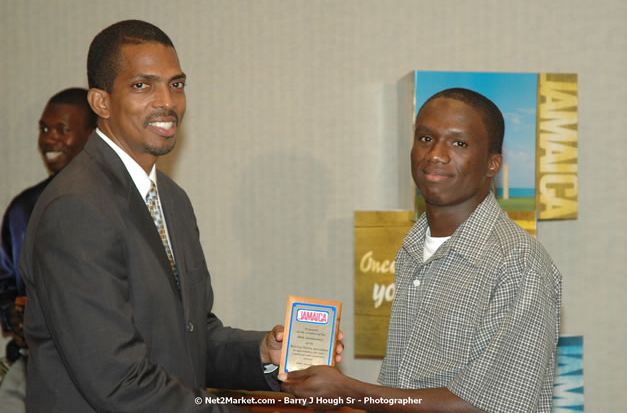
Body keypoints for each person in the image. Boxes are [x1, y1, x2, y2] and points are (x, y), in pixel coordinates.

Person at [20, 20, 335, 413]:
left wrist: (264, 352)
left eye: (176, 84)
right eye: (142, 85)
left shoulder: (171, 198)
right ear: (101, 102)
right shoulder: (76, 208)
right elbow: (118, 381)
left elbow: (192, 334)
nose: (167, 101)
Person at [282, 88, 561, 413]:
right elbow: (408, 384)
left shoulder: (517, 262)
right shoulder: (414, 245)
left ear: (492, 163)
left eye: (459, 143)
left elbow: (485, 406)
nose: (436, 155)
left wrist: (350, 391)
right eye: (426, 139)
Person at [0, 87, 96, 376]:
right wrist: (12, 316)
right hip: (35, 368)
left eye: (61, 129)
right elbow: (4, 282)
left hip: (102, 368)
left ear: (92, 136)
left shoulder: (118, 204)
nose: (48, 138)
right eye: (44, 128)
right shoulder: (23, 209)